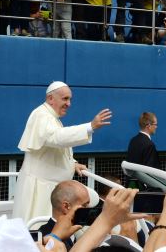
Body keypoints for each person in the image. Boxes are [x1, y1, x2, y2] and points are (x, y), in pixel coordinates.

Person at [12, 81, 112, 222]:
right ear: (50, 98)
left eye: (70, 99)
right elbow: (56, 137)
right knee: (38, 227)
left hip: (50, 188)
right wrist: (90, 127)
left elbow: (55, 148)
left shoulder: (51, 117)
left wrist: (73, 163)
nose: (69, 103)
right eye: (65, 98)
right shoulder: (42, 115)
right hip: (41, 189)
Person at [38, 180, 93, 250]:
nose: (89, 209)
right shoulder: (43, 239)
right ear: (66, 206)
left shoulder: (74, 232)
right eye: (84, 205)